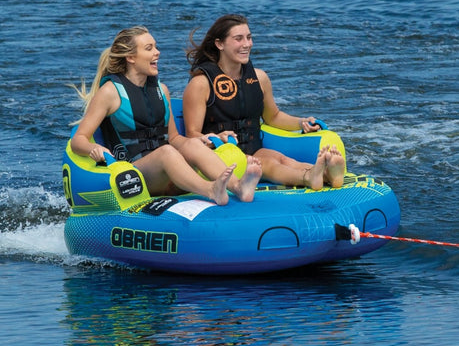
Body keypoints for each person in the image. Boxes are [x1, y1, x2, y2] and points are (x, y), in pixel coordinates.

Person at [70, 26, 262, 206]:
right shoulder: (110, 92)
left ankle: (238, 187)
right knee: (166, 152)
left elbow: (174, 138)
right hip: (134, 176)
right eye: (149, 48)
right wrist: (93, 148)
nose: (157, 52)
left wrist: (203, 140)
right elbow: (78, 139)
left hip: (168, 173)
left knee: (192, 144)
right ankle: (211, 190)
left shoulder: (161, 90)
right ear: (131, 57)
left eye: (156, 47)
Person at [182, 14, 345, 191]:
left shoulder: (259, 78)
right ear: (219, 44)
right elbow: (192, 134)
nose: (247, 44)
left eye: (249, 37)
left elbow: (273, 117)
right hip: (222, 155)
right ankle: (308, 177)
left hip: (253, 148)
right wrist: (217, 138)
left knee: (282, 159)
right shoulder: (201, 84)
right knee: (266, 164)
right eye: (238, 39)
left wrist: (302, 122)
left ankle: (327, 174)